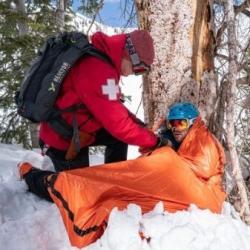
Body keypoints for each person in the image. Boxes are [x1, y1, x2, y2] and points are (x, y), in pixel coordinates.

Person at [19, 102, 226, 248]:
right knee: (109, 183)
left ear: (193, 123)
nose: (175, 128)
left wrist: (165, 155)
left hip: (198, 195)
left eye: (180, 123)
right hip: (175, 184)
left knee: (103, 188)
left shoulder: (203, 141)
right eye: (172, 123)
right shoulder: (175, 140)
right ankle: (42, 178)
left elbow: (200, 168)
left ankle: (49, 181)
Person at [39, 30, 160, 171]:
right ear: (129, 55)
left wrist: (138, 124)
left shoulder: (104, 62)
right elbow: (118, 125)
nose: (134, 73)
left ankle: (114, 178)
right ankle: (29, 174)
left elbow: (114, 107)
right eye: (138, 68)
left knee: (116, 140)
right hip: (61, 140)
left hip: (80, 132)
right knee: (75, 190)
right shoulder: (98, 70)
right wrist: (154, 141)